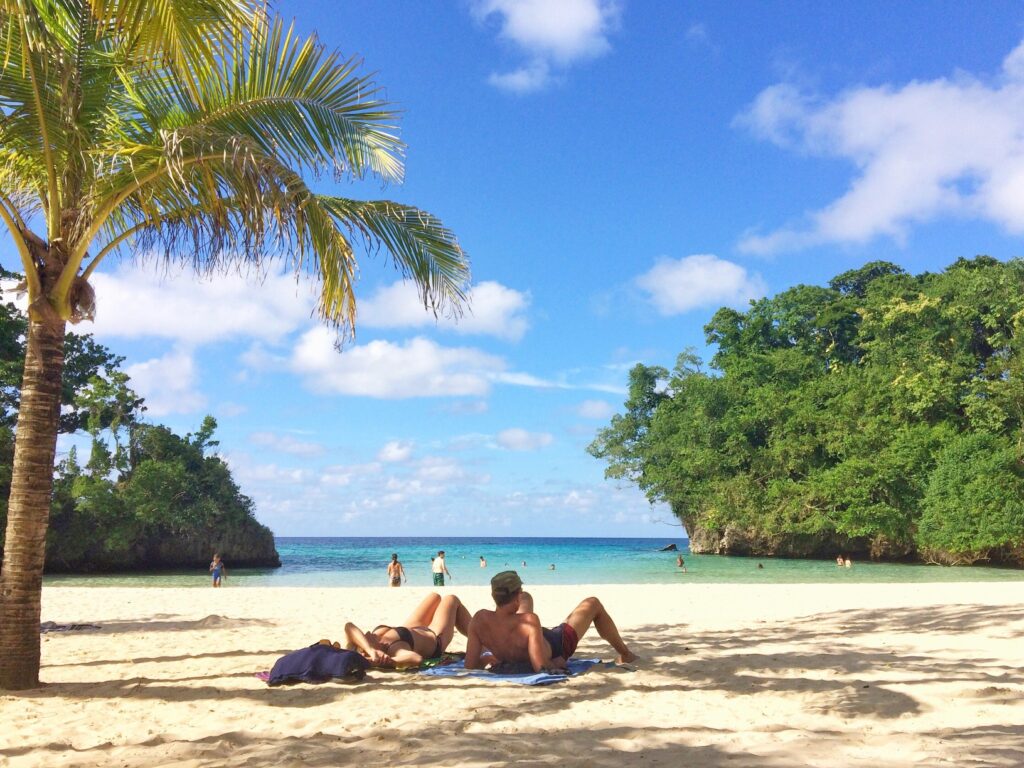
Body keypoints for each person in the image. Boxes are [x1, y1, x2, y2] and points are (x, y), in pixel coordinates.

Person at [466, 571, 636, 673]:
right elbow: (541, 666)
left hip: (519, 640)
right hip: (556, 643)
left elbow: (470, 665)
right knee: (593, 603)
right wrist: (558, 662)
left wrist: (488, 657)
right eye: (520, 593)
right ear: (516, 595)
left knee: (528, 599)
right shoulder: (529, 620)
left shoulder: (479, 620)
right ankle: (626, 654)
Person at [345, 592, 471, 668]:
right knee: (451, 599)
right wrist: (381, 661)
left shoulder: (370, 641)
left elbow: (349, 626)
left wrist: (369, 650)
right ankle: (478, 638)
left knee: (435, 596)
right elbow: (416, 658)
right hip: (435, 636)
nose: (366, 633)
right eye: (365, 638)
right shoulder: (394, 650)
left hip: (412, 627)